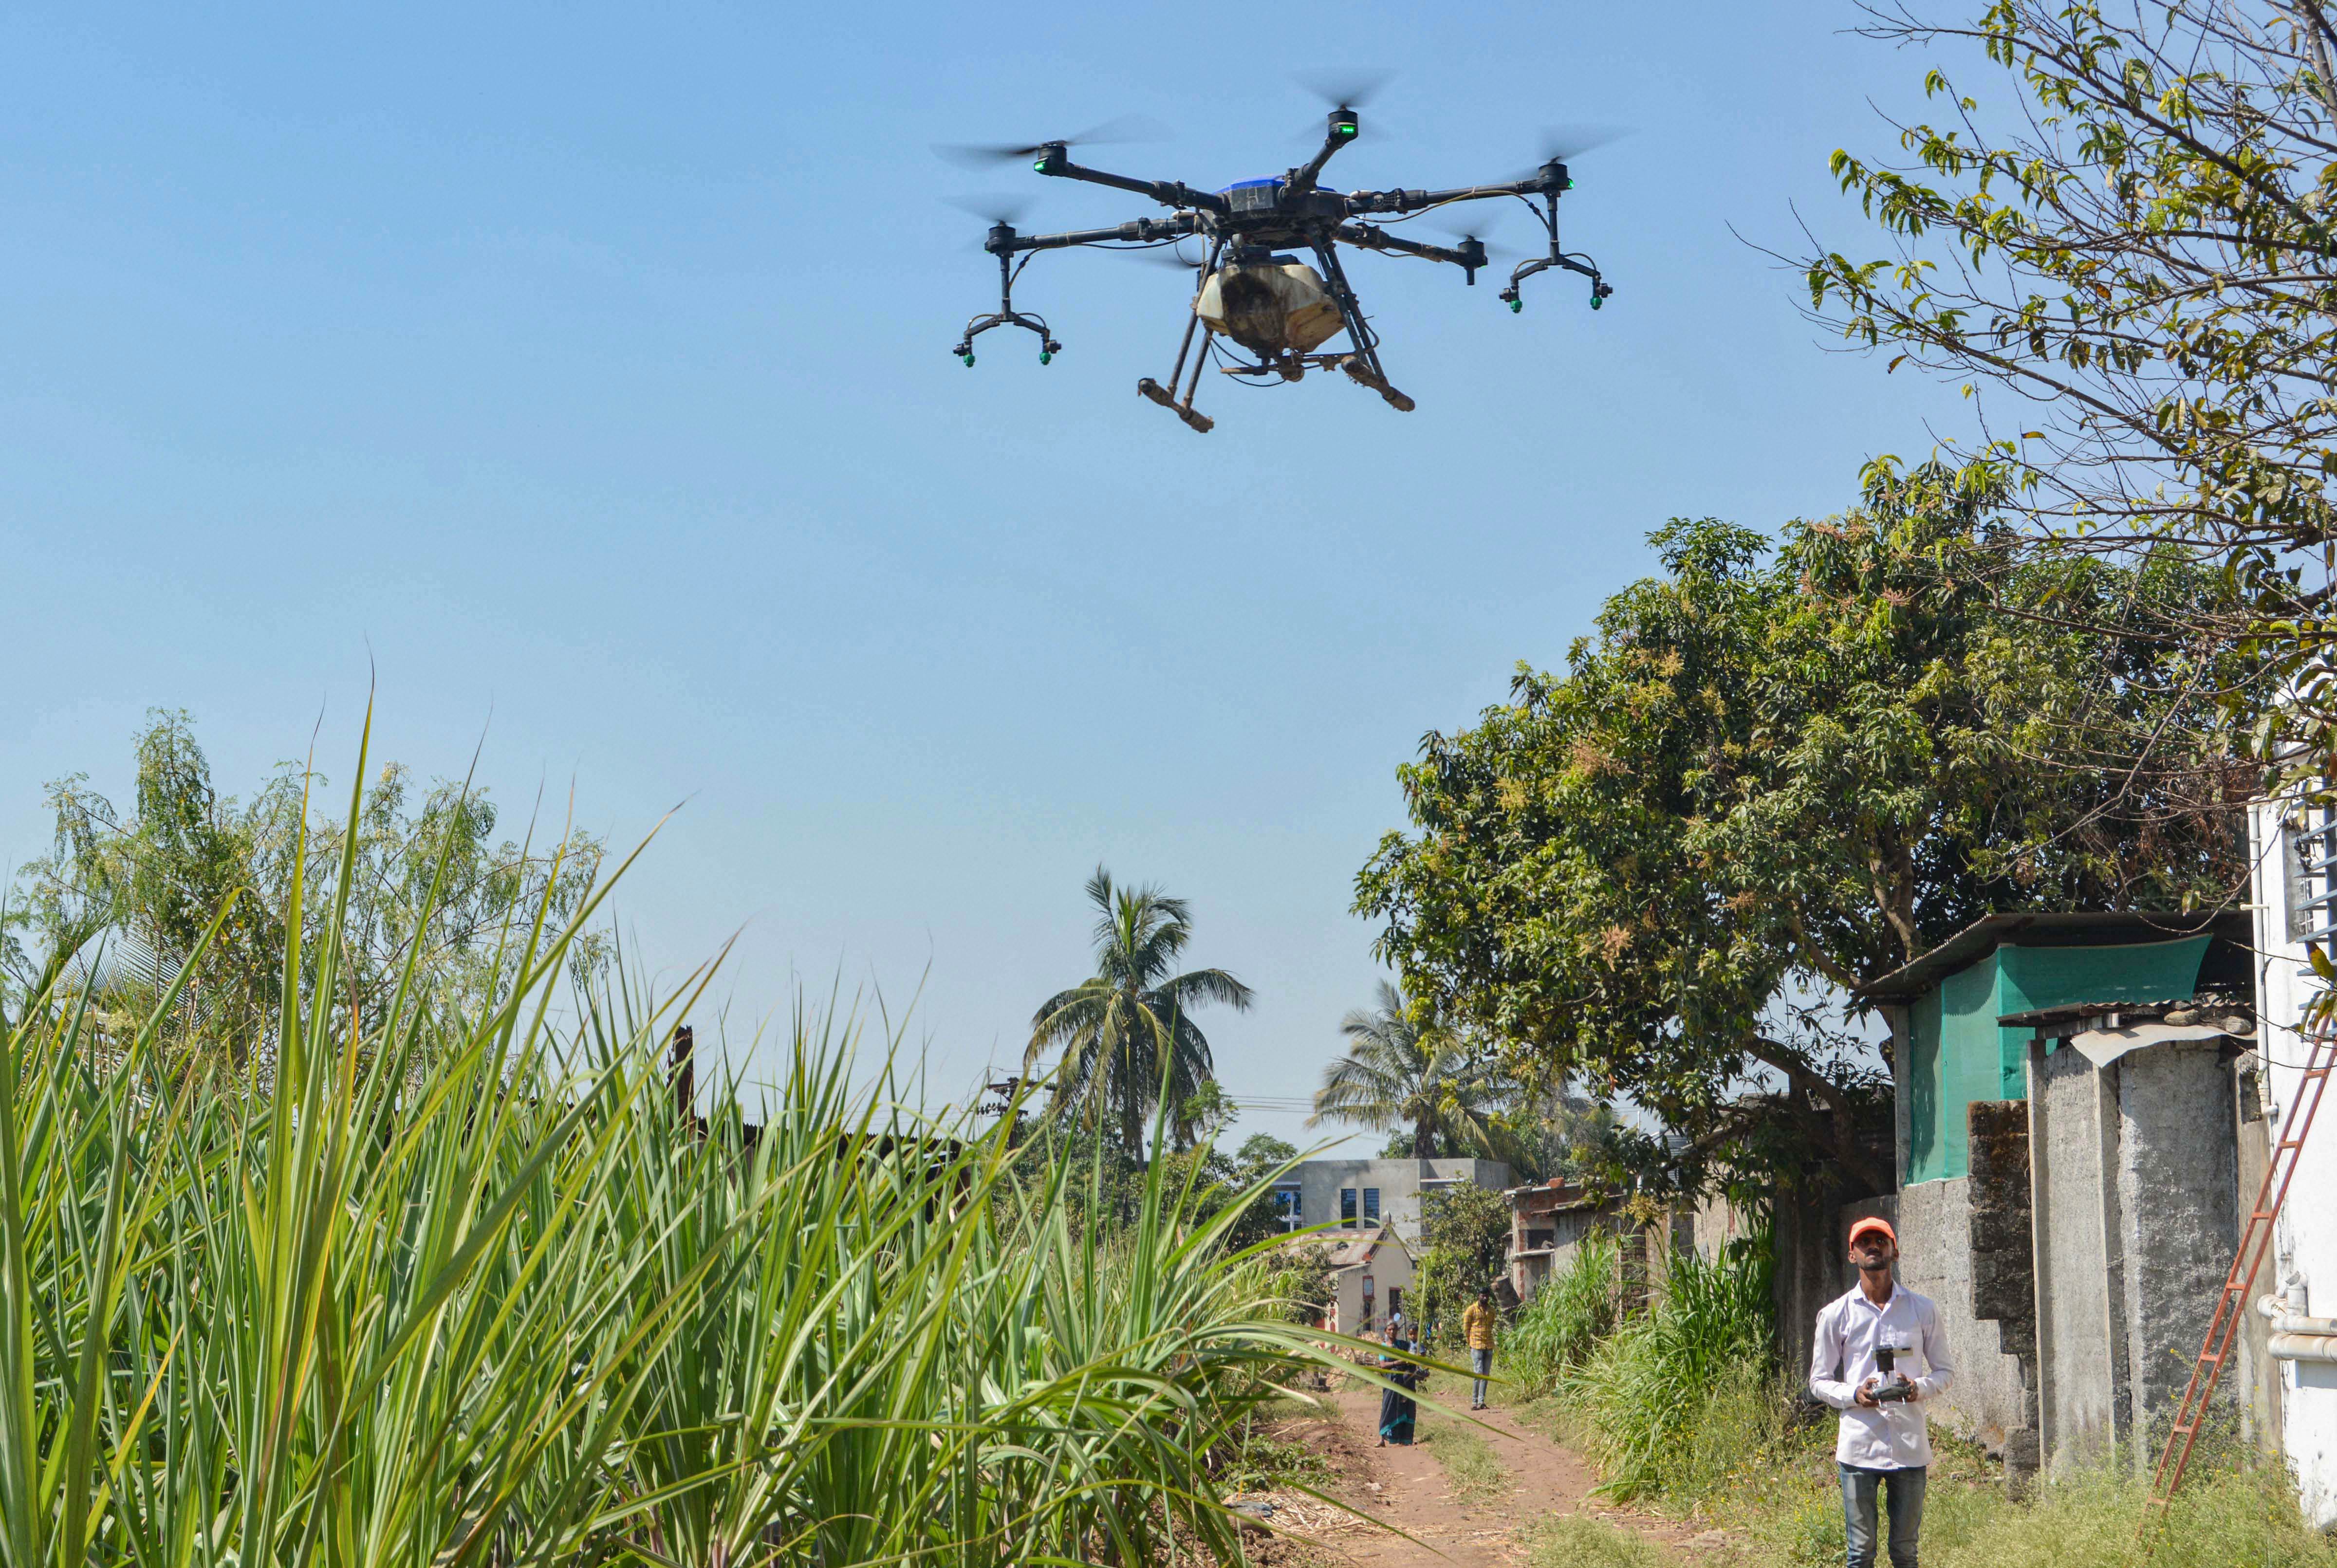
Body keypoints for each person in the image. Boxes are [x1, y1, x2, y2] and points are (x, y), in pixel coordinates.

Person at [1809, 1217, 1954, 1568]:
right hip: (1859, 1446)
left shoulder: (1922, 1309)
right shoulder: (1836, 1314)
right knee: (1860, 1554)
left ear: (1895, 1252)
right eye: (1865, 1242)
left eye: (1881, 1240)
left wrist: (1916, 1388)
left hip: (1909, 1445)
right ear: (1852, 1255)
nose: (1873, 1246)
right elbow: (1818, 1380)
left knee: (1906, 1553)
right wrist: (1854, 1394)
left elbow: (1945, 1372)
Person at [1374, 1330, 1420, 1447]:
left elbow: (1413, 1355)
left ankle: (1403, 1439)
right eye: (1390, 1329)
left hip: (1403, 1381)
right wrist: (1397, 1363)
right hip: (1390, 1381)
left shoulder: (1403, 1345)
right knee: (1388, 1408)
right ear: (1386, 1331)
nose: (1392, 1332)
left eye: (1395, 1329)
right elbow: (1383, 1365)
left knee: (1403, 1409)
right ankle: (1383, 1438)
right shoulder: (1383, 1347)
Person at [1461, 1287, 1498, 1410]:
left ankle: (1482, 1402)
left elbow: (1491, 1325)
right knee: (1478, 1373)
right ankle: (1474, 1402)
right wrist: (1470, 1342)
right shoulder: (1471, 1310)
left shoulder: (1492, 1311)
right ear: (1479, 1296)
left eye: (1487, 1295)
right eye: (1483, 1295)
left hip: (1488, 1345)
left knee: (1486, 1375)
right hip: (1476, 1345)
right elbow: (1466, 1328)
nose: (1485, 1298)